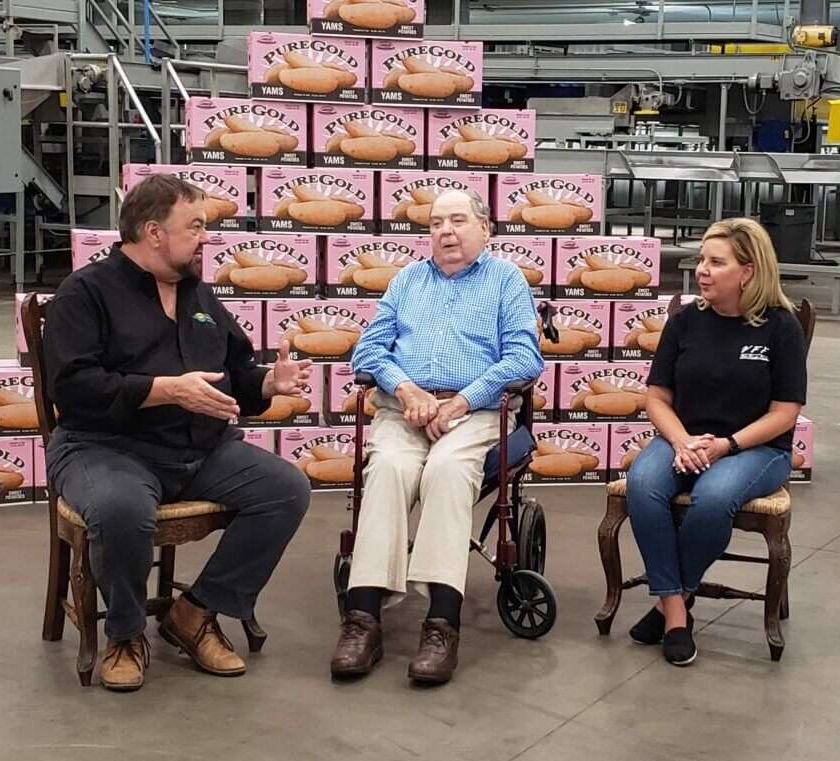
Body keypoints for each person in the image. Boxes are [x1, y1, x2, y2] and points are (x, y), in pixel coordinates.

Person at [45, 175, 311, 692]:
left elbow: (233, 372)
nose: (206, 237)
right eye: (195, 226)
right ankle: (125, 634)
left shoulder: (199, 294)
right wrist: (167, 390)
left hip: (198, 448)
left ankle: (196, 612)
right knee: (121, 509)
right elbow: (73, 386)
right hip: (102, 445)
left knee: (286, 490)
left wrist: (268, 382)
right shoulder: (85, 292)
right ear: (153, 232)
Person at [329, 189, 544, 684]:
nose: (446, 231)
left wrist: (462, 400)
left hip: (474, 412)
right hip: (405, 410)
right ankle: (362, 620)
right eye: (435, 223)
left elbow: (523, 360)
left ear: (485, 228)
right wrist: (407, 391)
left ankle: (441, 625)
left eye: (458, 221)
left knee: (447, 471)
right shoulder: (406, 280)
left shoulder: (506, 281)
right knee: (388, 469)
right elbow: (367, 354)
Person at [625, 217, 807, 667]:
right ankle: (675, 609)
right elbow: (656, 398)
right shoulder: (686, 321)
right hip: (683, 438)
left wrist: (726, 444)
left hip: (756, 448)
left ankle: (669, 606)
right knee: (642, 486)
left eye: (715, 262)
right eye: (702, 260)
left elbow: (785, 412)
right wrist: (683, 440)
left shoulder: (780, 328)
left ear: (747, 271)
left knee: (713, 498)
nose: (701, 270)